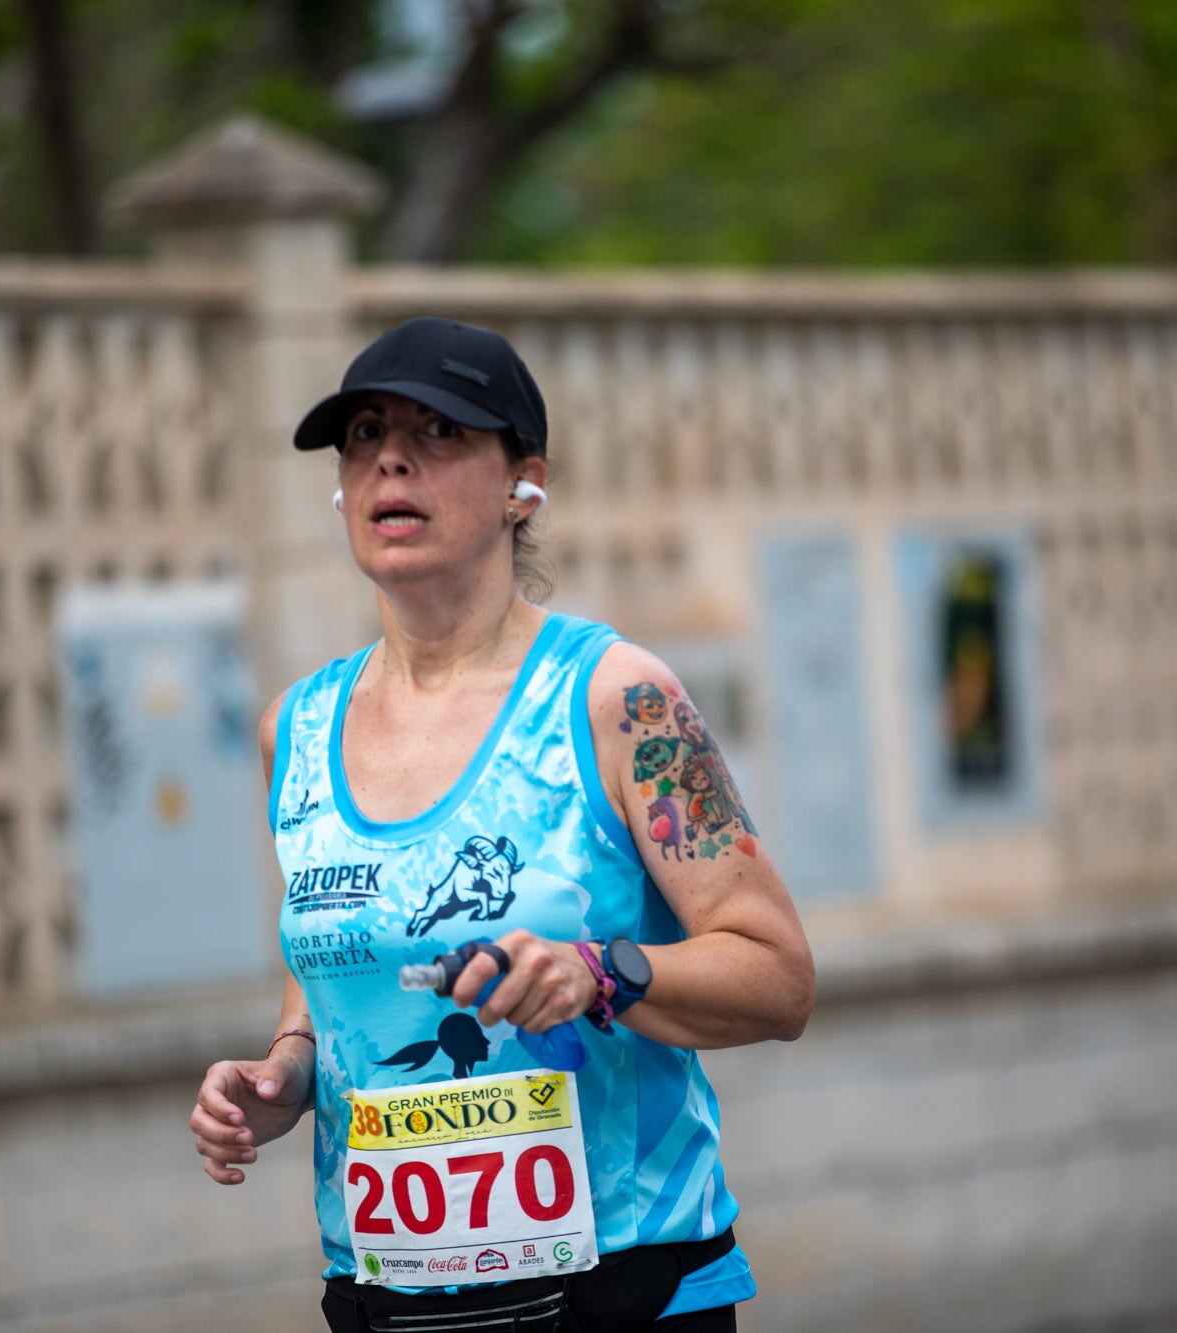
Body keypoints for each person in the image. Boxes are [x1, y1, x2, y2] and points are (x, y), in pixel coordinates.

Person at [188, 316, 815, 1332]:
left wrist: (602, 972)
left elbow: (778, 977)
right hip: (386, 1300)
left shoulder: (617, 700)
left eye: (438, 431)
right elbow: (336, 973)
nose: (389, 456)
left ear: (525, 482)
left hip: (623, 1295)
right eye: (363, 436)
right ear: (342, 490)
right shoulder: (294, 731)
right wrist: (284, 1072)